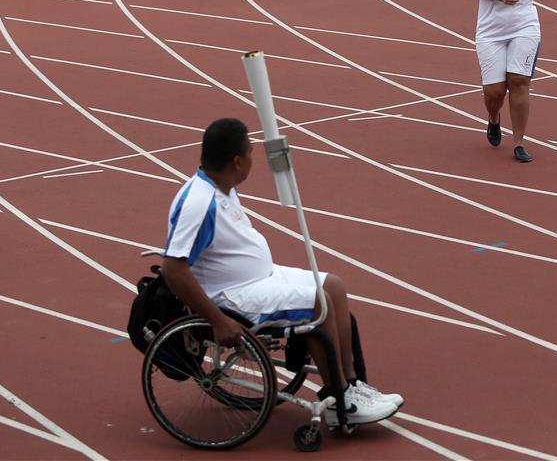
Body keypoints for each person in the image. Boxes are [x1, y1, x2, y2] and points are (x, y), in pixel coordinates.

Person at [161, 118, 403, 426]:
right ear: (237, 161)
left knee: (335, 286)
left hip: (261, 279)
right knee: (320, 303)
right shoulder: (198, 203)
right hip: (234, 296)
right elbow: (173, 268)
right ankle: (337, 397)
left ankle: (351, 385)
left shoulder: (222, 186)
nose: (253, 158)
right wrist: (218, 321)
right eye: (250, 152)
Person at [465, 0, 548, 163]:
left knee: (519, 82)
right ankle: (493, 117)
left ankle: (519, 142)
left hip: (524, 26)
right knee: (495, 92)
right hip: (491, 31)